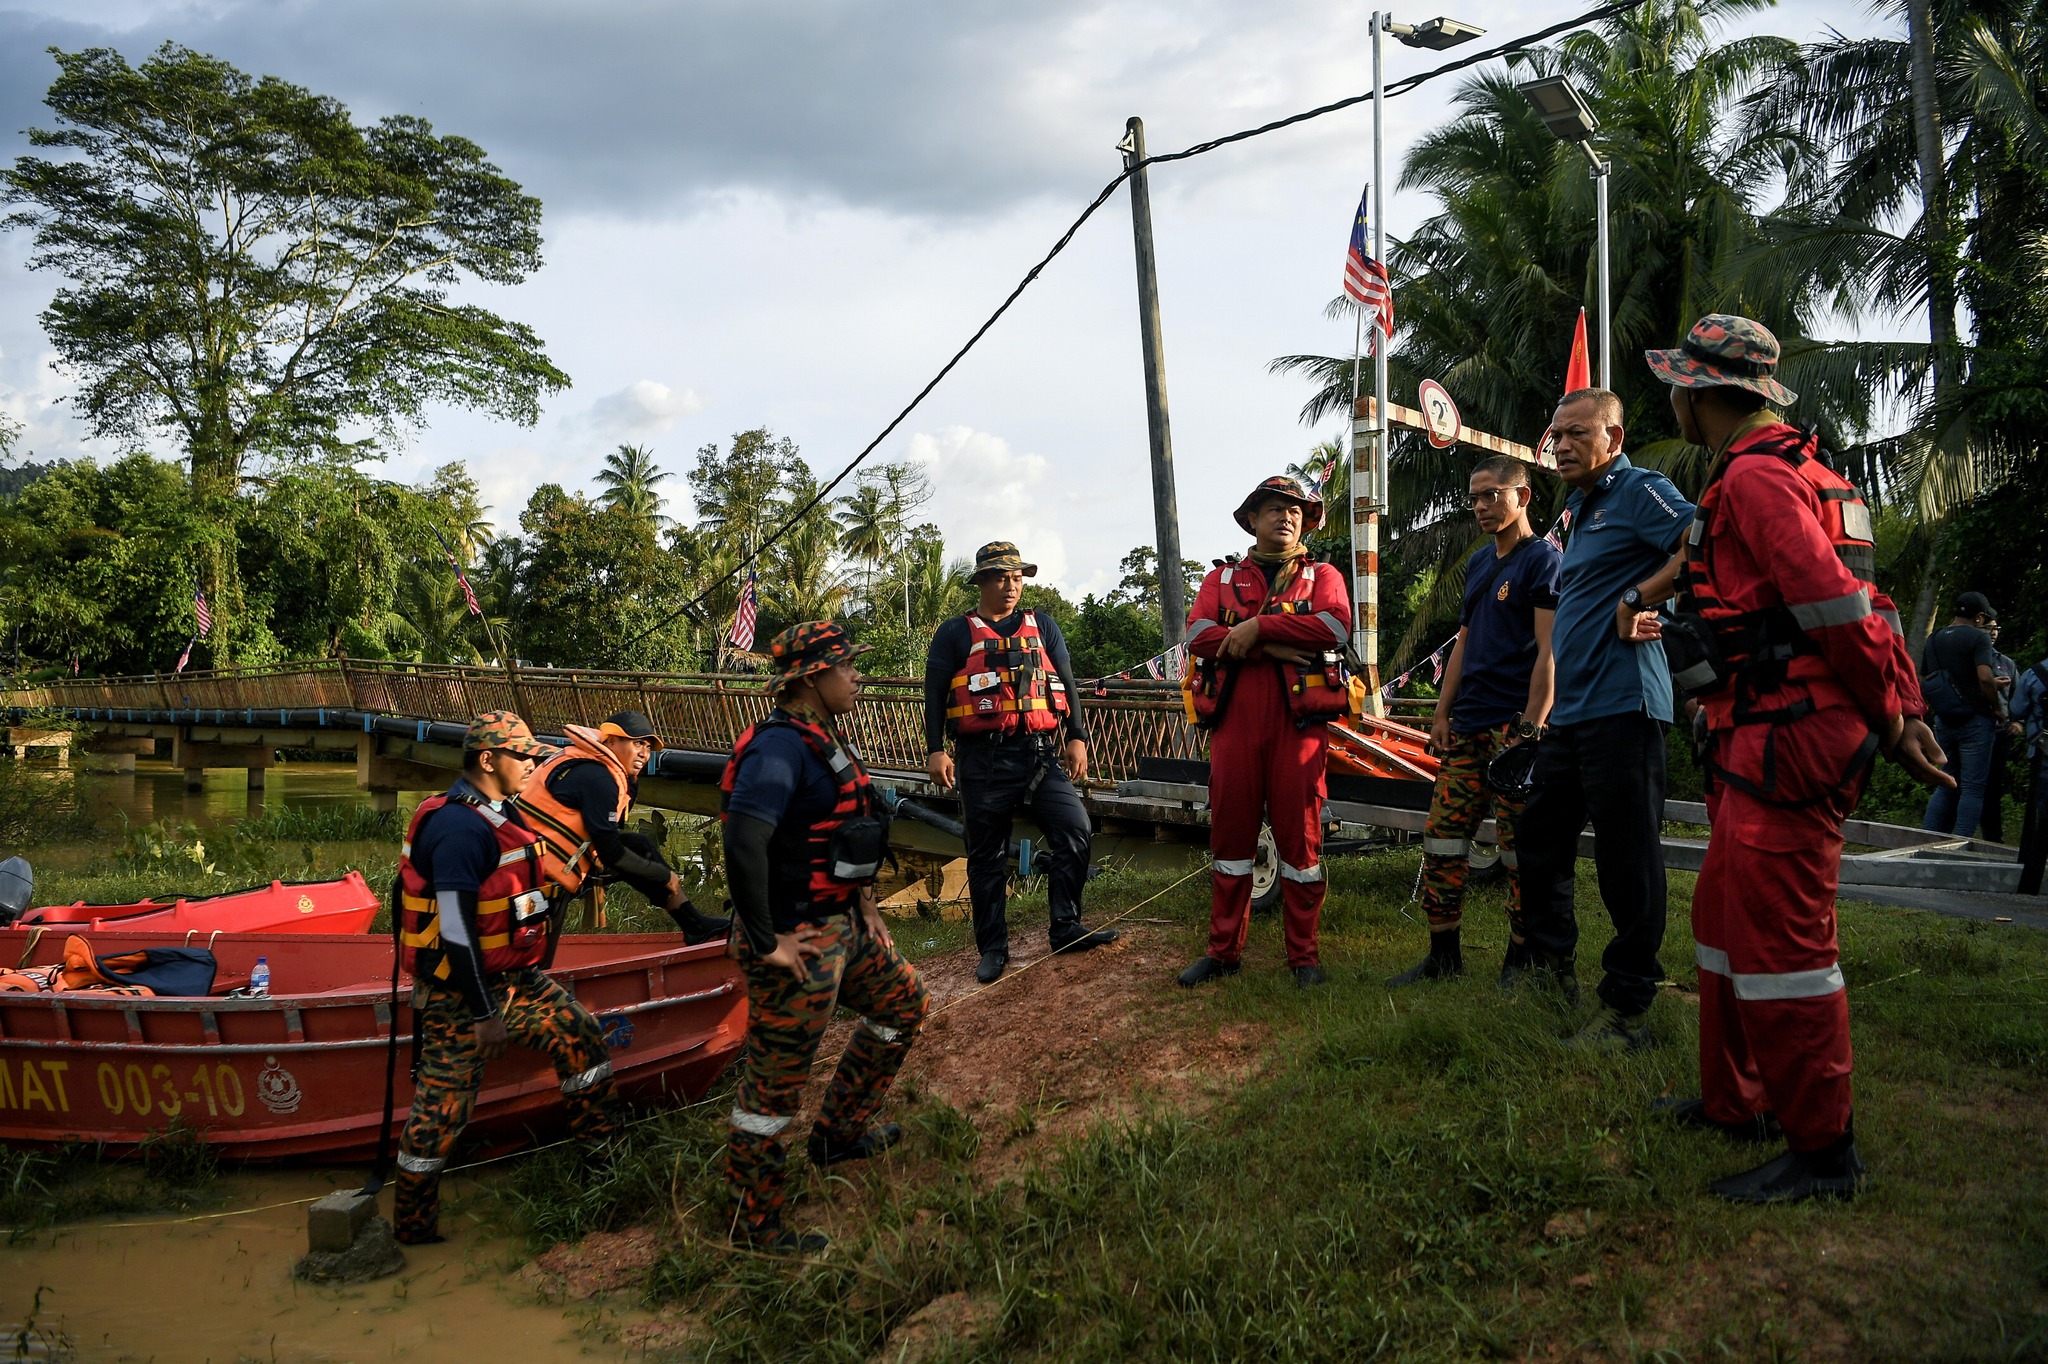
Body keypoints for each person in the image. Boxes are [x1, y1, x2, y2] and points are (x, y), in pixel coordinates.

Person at [1630, 312, 1949, 1203]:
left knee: (1785, 945)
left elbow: (1835, 609)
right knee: (1727, 921)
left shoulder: (1761, 485)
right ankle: (1738, 1101)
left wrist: (1894, 713)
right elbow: (1871, 604)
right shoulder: (1808, 474)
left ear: (1699, 392)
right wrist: (1905, 703)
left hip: (1793, 735)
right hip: (1761, 730)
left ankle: (1822, 1152)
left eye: (1678, 385)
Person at [720, 621, 928, 1254]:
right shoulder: (776, 750)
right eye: (848, 667)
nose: (857, 676)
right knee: (774, 1088)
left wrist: (865, 902)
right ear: (812, 679)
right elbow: (743, 841)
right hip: (796, 938)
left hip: (841, 925)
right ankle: (753, 1226)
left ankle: (838, 1135)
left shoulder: (820, 739)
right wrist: (765, 941)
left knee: (904, 1003)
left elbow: (847, 828)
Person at [393, 711, 622, 1245]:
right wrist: (482, 1015)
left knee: (582, 1035)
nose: (531, 766)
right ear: (487, 759)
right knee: (440, 1113)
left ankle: (604, 1174)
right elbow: (453, 925)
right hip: (461, 996)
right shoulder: (457, 828)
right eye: (523, 757)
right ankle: (411, 1228)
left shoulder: (498, 814)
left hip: (517, 981)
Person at [1513, 387, 1694, 1050]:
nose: (1561, 445)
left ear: (1613, 440)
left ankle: (1628, 1007)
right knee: (1539, 838)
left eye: (1577, 433)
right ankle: (1549, 972)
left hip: (1628, 705)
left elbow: (1700, 544)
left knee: (1627, 862)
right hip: (1575, 712)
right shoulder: (1579, 507)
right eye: (1555, 433)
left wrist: (1641, 597)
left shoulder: (1639, 490)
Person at [1391, 455, 1559, 987]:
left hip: (1514, 729)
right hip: (1467, 726)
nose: (1483, 506)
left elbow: (1550, 652)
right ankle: (1443, 956)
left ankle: (1520, 959)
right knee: (1442, 839)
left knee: (1517, 852)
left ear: (1523, 496)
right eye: (1475, 498)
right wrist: (1442, 712)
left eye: (1493, 495)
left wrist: (1531, 730)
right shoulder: (1481, 564)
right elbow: (1463, 642)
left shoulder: (1543, 562)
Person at [1180, 475, 1353, 990]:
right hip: (1235, 723)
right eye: (1275, 508)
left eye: (1296, 510)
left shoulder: (1324, 575)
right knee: (1230, 839)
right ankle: (1222, 952)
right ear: (1251, 519)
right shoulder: (1220, 581)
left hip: (1298, 728)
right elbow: (1196, 635)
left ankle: (1304, 958)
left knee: (1301, 843)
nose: (1287, 517)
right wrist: (1268, 644)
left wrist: (1258, 629)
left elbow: (1335, 627)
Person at [924, 541, 1119, 985]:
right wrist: (936, 748)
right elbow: (934, 694)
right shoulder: (955, 633)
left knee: (1075, 828)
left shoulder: (1044, 626)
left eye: (1016, 577)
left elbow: (1067, 685)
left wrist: (1077, 736)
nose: (1010, 585)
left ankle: (1066, 927)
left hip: (1039, 752)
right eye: (1000, 577)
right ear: (981, 581)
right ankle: (993, 948)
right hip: (981, 759)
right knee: (986, 856)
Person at [516, 708, 730, 941]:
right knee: (534, 961)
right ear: (611, 741)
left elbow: (609, 841)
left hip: (554, 861)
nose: (644, 754)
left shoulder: (594, 766)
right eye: (637, 744)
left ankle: (695, 925)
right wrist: (664, 876)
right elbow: (611, 853)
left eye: (648, 748)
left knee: (638, 845)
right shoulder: (598, 779)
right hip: (533, 876)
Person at [1920, 592, 2007, 838]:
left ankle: (1927, 838)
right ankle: (1961, 844)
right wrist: (1997, 709)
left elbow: (1924, 680)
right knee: (1972, 788)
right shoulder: (1979, 638)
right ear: (1979, 617)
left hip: (1945, 720)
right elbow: (1983, 678)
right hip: (1975, 721)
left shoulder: (1934, 638)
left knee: (1946, 784)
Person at [1983, 626, 2018, 844]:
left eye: (1997, 628)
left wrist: (2018, 721)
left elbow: (2019, 696)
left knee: (1994, 787)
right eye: (1989, 627)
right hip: (1975, 727)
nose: (1994, 632)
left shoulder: (2007, 663)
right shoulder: (1971, 657)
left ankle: (1993, 838)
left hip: (2000, 731)